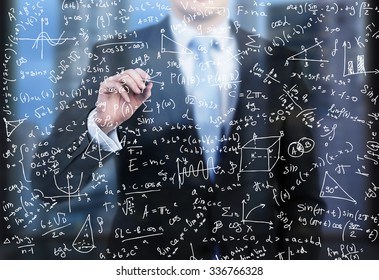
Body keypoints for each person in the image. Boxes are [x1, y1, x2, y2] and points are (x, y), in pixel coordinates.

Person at [32, 0, 325, 259]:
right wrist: (101, 125)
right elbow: (48, 186)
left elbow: (301, 191)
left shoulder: (279, 61)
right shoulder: (117, 55)